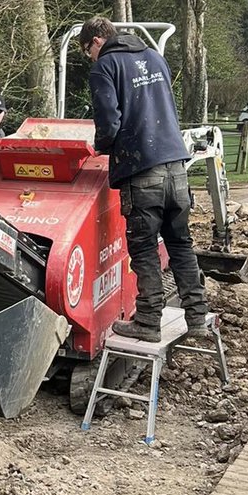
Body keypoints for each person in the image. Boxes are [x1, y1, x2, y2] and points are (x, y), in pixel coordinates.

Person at [79, 17, 208, 341]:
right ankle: (197, 319)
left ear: (95, 41)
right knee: (180, 244)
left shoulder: (105, 67)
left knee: (144, 248)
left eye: (88, 53)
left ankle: (148, 322)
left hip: (142, 170)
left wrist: (99, 147)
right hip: (176, 166)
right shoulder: (154, 57)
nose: (91, 60)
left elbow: (109, 123)